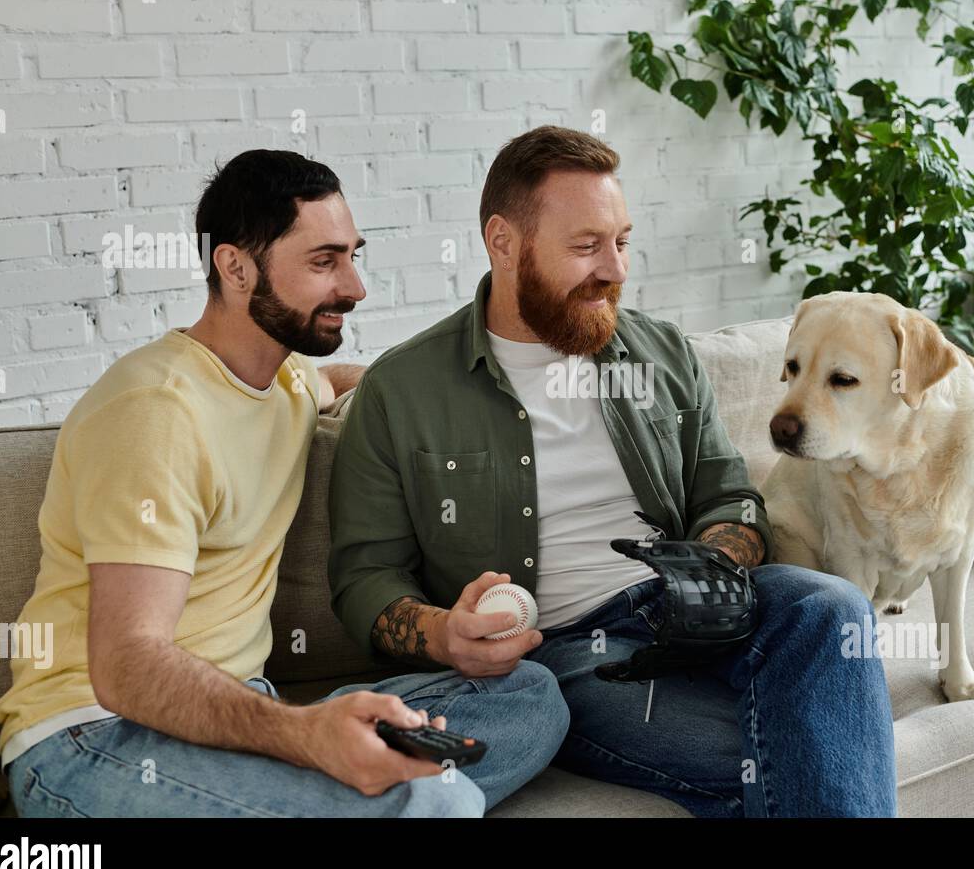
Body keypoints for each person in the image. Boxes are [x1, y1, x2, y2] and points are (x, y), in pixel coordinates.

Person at [328, 127, 897, 817]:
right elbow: (364, 581)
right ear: (504, 243)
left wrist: (714, 565)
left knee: (830, 607)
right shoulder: (404, 388)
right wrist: (445, 633)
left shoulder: (657, 353)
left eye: (621, 241)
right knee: (779, 753)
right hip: (573, 651)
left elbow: (731, 496)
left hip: (695, 602)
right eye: (586, 246)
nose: (617, 269)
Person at [0, 149, 569, 818]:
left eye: (354, 255)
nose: (355, 287)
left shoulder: (288, 382)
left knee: (528, 698)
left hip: (235, 717)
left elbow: (349, 381)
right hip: (93, 735)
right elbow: (127, 665)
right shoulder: (154, 413)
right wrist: (305, 737)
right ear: (235, 268)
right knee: (429, 802)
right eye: (323, 262)